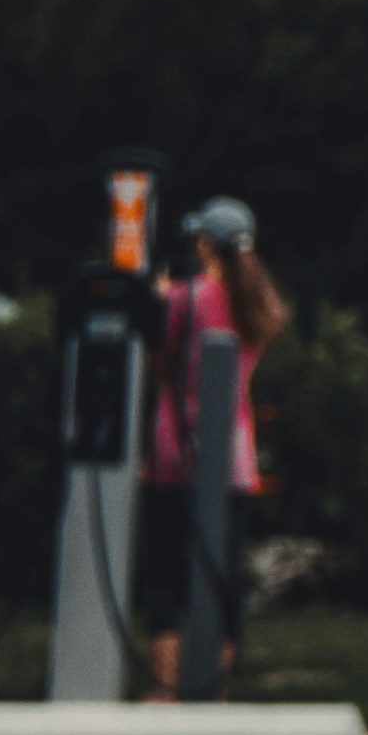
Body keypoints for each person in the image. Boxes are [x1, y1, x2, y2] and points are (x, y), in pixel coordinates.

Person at [136, 193, 290, 697]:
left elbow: (159, 363)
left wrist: (159, 299)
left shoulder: (187, 298)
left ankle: (164, 688)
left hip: (174, 449)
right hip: (235, 456)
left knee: (166, 571)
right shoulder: (259, 303)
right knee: (222, 574)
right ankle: (214, 688)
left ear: (205, 243)